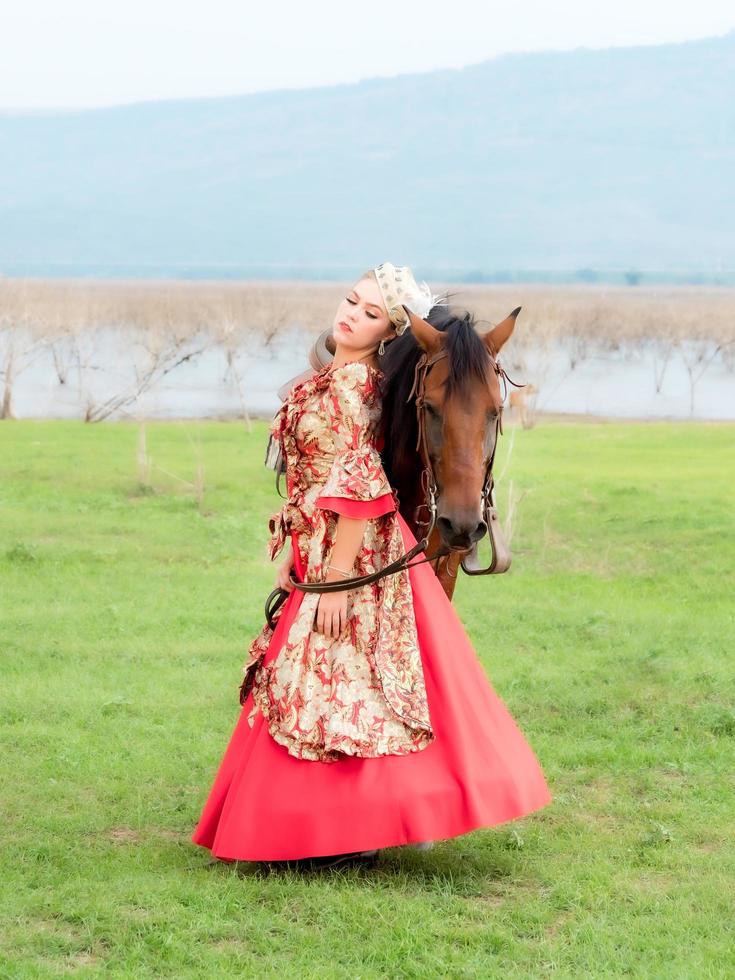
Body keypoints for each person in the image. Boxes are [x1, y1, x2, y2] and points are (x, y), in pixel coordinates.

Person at [191, 263, 552, 871]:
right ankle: (325, 824)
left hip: (352, 552)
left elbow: (357, 480)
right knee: (333, 689)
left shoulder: (358, 388)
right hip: (324, 545)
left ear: (387, 333)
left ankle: (345, 828)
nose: (350, 315)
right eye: (349, 302)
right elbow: (318, 477)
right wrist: (300, 551)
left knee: (344, 687)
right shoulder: (339, 379)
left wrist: (334, 577)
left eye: (369, 312)